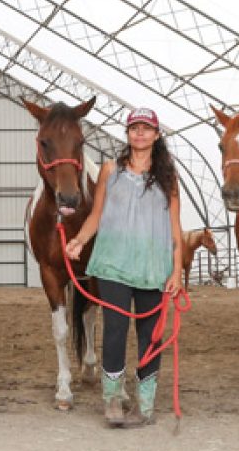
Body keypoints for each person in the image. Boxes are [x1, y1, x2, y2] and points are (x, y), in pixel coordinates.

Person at [65, 107, 183, 428]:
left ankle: (145, 404)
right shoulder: (109, 171)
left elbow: (175, 229)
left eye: (146, 129)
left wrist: (177, 271)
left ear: (156, 135)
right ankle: (112, 399)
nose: (140, 134)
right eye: (134, 128)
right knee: (115, 331)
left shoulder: (169, 179)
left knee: (151, 337)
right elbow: (96, 215)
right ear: (127, 134)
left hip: (153, 268)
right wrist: (78, 240)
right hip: (113, 265)